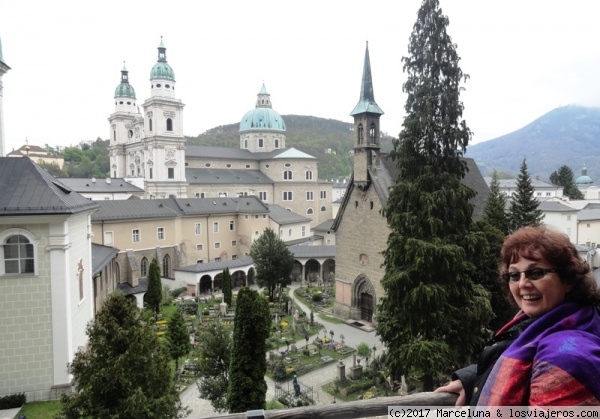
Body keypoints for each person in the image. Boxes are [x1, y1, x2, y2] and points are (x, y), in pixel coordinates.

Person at [435, 225, 600, 406]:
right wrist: (472, 380)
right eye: (514, 275)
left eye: (536, 273)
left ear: (568, 279)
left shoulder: (565, 356)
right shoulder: (563, 320)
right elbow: (524, 365)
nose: (522, 284)